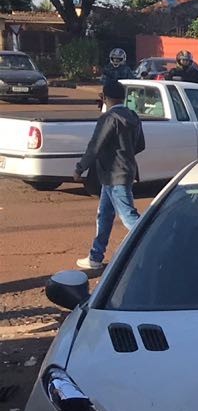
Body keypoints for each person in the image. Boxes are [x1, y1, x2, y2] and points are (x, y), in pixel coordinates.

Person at [74, 79, 146, 273]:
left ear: (105, 97)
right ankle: (95, 256)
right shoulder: (132, 116)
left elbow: (95, 145)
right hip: (124, 171)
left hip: (113, 174)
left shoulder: (108, 119)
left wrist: (80, 168)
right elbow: (141, 145)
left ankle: (152, 247)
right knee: (104, 215)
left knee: (128, 217)